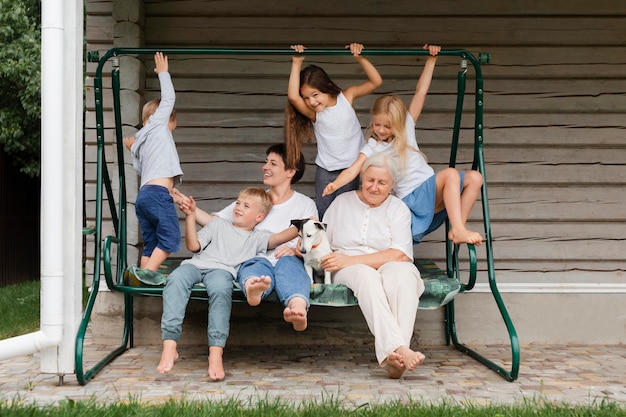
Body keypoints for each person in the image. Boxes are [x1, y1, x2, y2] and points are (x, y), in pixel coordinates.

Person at [323, 44, 483, 245]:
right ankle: (459, 229)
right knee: (450, 174)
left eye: (387, 126)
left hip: (430, 191)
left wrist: (431, 60)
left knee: (475, 178)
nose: (380, 130)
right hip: (412, 198)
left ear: (398, 123)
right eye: (377, 124)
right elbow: (353, 169)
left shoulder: (407, 126)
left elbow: (421, 92)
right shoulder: (373, 145)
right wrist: (335, 184)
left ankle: (457, 228)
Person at [157, 187, 297, 381]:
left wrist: (303, 225)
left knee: (222, 290)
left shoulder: (257, 238)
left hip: (222, 272)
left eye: (246, 206)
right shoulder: (219, 224)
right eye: (238, 202)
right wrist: (190, 216)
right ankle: (170, 345)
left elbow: (280, 237)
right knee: (175, 279)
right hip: (195, 264)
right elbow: (193, 246)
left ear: (259, 217)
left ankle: (216, 352)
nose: (238, 207)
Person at [176, 143, 318, 332]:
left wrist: (295, 250)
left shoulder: (305, 204)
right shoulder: (255, 201)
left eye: (273, 163)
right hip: (254, 258)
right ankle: (253, 289)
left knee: (291, 269)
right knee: (252, 269)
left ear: (290, 171)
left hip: (289, 259)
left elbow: (312, 239)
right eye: (266, 162)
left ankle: (298, 308)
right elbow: (214, 223)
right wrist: (189, 207)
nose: (265, 167)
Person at [321, 154, 426, 379]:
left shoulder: (398, 208)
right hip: (346, 268)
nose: (374, 187)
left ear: (393, 185)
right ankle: (401, 351)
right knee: (367, 277)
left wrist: (352, 259)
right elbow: (322, 241)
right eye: (370, 180)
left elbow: (400, 254)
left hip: (382, 263)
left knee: (405, 275)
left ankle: (394, 357)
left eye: (382, 183)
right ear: (361, 177)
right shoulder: (342, 202)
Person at [285, 43, 383, 219]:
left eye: (315, 94)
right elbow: (293, 97)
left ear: (327, 86)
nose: (312, 102)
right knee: (324, 213)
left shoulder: (347, 97)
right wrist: (296, 62)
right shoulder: (314, 113)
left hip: (351, 168)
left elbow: (376, 82)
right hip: (326, 170)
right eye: (306, 98)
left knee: (346, 213)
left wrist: (359, 57)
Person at [123, 52, 184, 272]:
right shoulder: (159, 125)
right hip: (158, 194)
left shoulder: (140, 139)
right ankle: (148, 273)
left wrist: (132, 151)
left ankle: (142, 273)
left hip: (144, 197)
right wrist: (163, 73)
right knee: (170, 237)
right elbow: (168, 99)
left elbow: (139, 169)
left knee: (151, 242)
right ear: (171, 121)